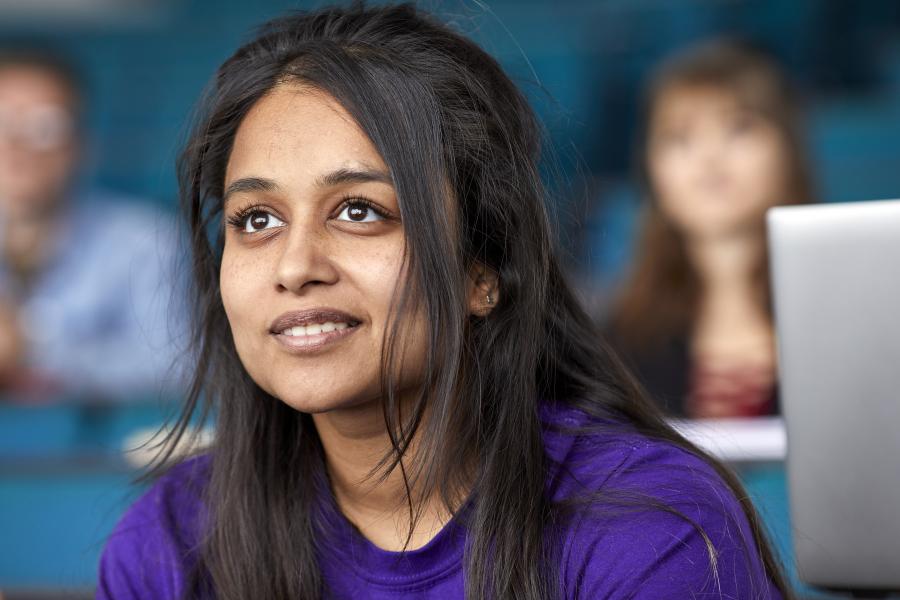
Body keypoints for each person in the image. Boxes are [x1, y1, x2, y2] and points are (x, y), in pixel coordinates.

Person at [98, 6, 792, 599]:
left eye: (360, 211)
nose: (295, 265)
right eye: (256, 219)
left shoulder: (649, 528)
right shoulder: (169, 544)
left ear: (482, 271)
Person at [607, 39, 815, 419]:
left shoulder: (847, 315)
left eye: (739, 128)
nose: (709, 157)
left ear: (788, 151)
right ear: (651, 169)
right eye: (679, 137)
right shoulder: (613, 337)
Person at [0, 49, 184, 400]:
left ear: (80, 144)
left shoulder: (147, 241)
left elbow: (178, 366)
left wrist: (31, 347)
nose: (16, 145)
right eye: (2, 123)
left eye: (45, 126)